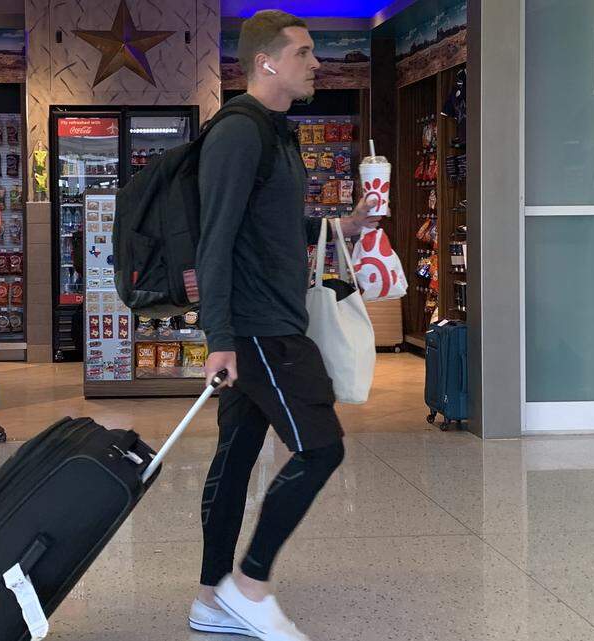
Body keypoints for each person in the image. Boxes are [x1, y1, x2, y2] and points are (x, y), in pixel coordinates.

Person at [189, 10, 382, 641]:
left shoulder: (277, 133)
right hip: (259, 327)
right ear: (266, 62)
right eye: (304, 52)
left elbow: (264, 226)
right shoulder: (238, 133)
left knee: (237, 454)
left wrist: (339, 228)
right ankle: (248, 585)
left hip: (270, 318)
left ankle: (211, 597)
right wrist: (219, 338)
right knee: (321, 446)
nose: (316, 62)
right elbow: (214, 242)